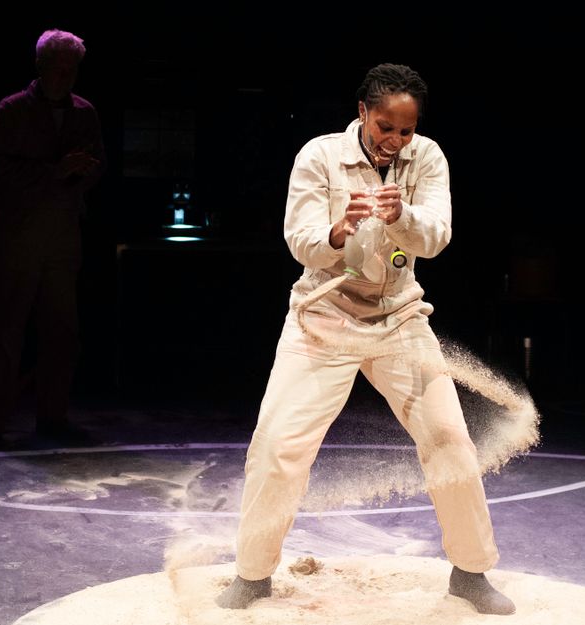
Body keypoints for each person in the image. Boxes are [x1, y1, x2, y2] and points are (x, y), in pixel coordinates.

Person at [216, 63, 514, 615]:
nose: (395, 139)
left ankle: (471, 572)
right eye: (385, 127)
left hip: (399, 318)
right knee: (278, 446)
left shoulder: (428, 158)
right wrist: (337, 232)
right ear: (362, 113)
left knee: (450, 439)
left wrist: (402, 216)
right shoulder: (319, 155)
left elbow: (436, 237)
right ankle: (252, 574)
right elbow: (299, 240)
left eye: (406, 130)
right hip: (322, 317)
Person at [0, 29, 105, 449]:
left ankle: (53, 416)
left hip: (62, 236)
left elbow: (98, 165)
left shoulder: (84, 111)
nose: (65, 78)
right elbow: (5, 173)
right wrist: (57, 170)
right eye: (58, 70)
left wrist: (82, 172)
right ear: (40, 67)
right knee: (6, 329)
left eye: (72, 71)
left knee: (62, 331)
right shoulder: (12, 110)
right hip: (17, 238)